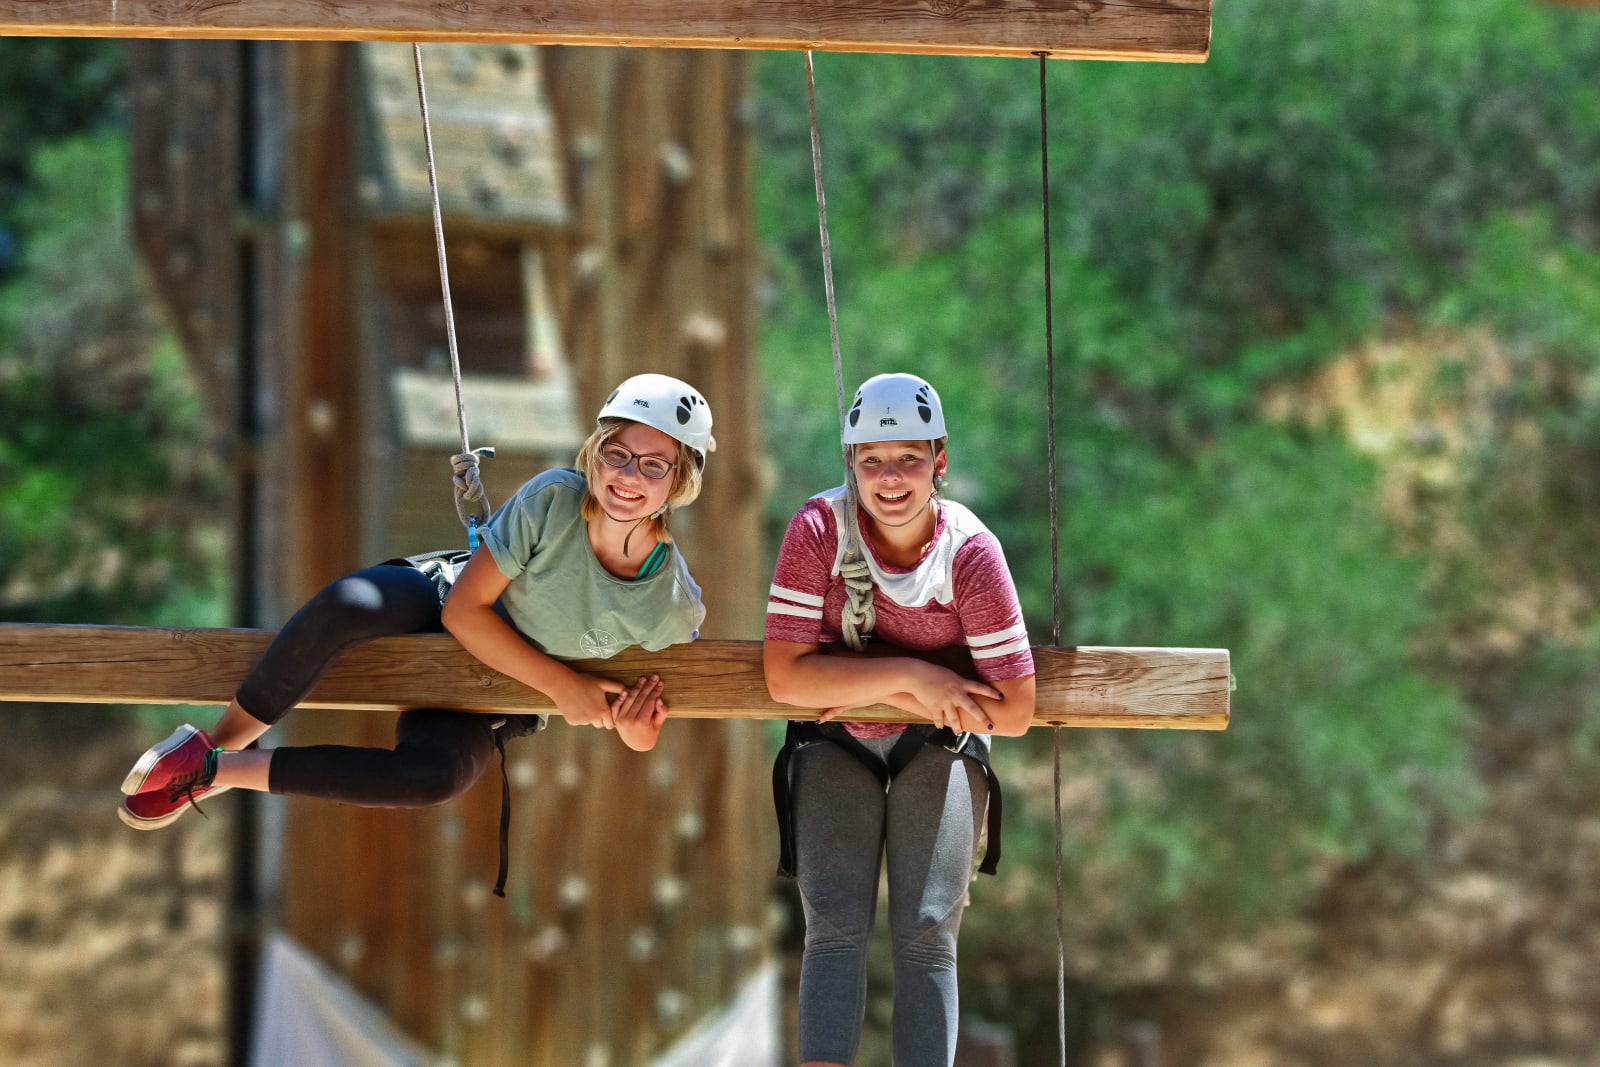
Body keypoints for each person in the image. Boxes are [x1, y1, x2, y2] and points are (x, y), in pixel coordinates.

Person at [118, 373, 714, 890]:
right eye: (617, 453)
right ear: (596, 452)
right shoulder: (554, 500)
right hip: (444, 601)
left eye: (654, 464)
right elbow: (461, 611)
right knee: (348, 603)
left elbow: (642, 725)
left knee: (435, 778)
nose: (628, 475)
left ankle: (217, 773)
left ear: (680, 481)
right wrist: (561, 686)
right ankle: (214, 747)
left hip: (494, 698)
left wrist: (634, 731)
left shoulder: (670, 608)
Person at [764, 372, 1037, 1067]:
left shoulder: (971, 554)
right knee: (832, 930)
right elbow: (783, 677)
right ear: (850, 463)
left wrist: (853, 681)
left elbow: (1017, 708)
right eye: (872, 461)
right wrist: (920, 678)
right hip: (834, 742)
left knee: (924, 933)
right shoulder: (819, 530)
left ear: (939, 460)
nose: (891, 479)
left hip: (939, 748)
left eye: (909, 459)